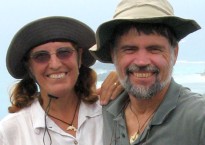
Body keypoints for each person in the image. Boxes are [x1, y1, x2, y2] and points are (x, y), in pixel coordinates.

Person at [90, 0, 205, 144]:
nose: (141, 62)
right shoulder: (103, 111)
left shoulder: (199, 119)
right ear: (114, 56)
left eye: (154, 49)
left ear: (174, 54)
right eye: (129, 50)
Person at [0, 16, 122, 145]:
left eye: (64, 52)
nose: (55, 64)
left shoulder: (111, 112)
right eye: (41, 56)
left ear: (79, 57)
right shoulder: (10, 132)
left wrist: (128, 84)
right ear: (29, 67)